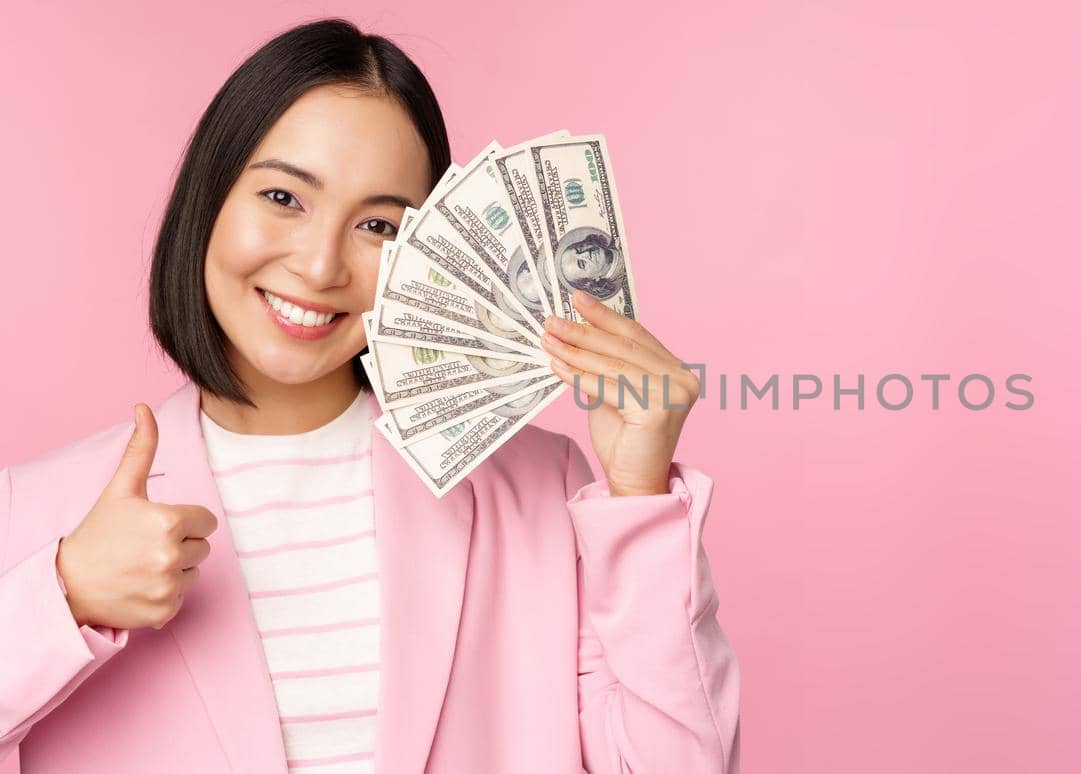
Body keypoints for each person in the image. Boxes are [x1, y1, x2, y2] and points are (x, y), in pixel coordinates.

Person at [0, 19, 739, 774]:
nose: (321, 266)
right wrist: (62, 598)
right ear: (208, 199)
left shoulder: (539, 488)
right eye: (284, 196)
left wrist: (640, 495)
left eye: (379, 224)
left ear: (433, 253)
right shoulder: (36, 513)